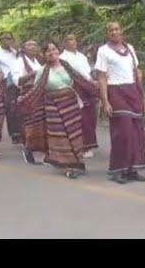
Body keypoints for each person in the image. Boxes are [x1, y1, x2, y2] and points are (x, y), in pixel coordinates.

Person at [18, 42, 98, 179]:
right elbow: (36, 90)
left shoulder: (66, 66)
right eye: (47, 51)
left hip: (71, 105)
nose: (51, 52)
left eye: (54, 49)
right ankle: (68, 166)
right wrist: (23, 100)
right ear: (43, 55)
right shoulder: (42, 71)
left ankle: (77, 162)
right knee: (61, 137)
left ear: (58, 51)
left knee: (75, 135)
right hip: (53, 107)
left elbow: (80, 79)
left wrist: (95, 86)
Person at [95, 22, 145, 184]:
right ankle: (117, 169)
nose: (114, 32)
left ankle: (132, 169)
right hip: (116, 92)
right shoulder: (103, 51)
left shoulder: (130, 48)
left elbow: (136, 73)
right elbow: (102, 77)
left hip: (133, 91)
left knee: (136, 132)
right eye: (111, 30)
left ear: (121, 31)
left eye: (117, 29)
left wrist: (142, 94)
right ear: (107, 33)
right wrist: (105, 102)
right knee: (122, 131)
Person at [60, 34, 98, 158]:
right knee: (78, 118)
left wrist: (93, 81)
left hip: (88, 88)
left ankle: (87, 145)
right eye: (69, 40)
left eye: (74, 39)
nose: (73, 42)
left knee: (90, 118)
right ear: (64, 43)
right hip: (75, 89)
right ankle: (77, 145)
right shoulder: (62, 58)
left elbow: (88, 72)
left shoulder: (81, 56)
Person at [12, 39, 45, 165]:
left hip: (40, 96)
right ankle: (29, 151)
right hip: (28, 96)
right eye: (29, 45)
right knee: (30, 125)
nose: (33, 47)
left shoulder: (38, 61)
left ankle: (40, 151)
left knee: (41, 125)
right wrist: (33, 74)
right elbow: (18, 81)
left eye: (35, 44)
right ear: (23, 48)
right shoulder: (19, 62)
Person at [0, 31, 21, 144]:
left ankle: (22, 131)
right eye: (6, 39)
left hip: (18, 78)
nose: (9, 41)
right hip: (7, 82)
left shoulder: (15, 52)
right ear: (0, 41)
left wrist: (17, 50)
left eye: (10, 38)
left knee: (20, 105)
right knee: (11, 107)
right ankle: (14, 133)